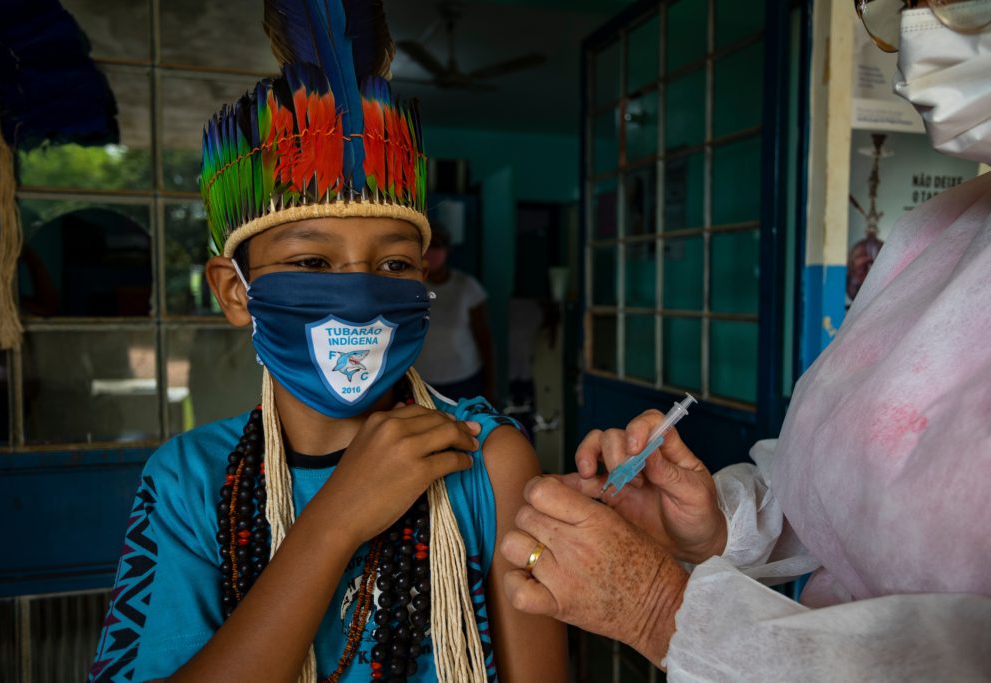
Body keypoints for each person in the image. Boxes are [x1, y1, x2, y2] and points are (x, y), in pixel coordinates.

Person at [499, 2, 991, 680]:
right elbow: (844, 487)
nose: (917, 35)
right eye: (901, 5)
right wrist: (716, 526)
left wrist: (658, 608)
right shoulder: (942, 230)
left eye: (955, 3)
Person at [88, 2, 566, 681]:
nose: (360, 295)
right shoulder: (188, 481)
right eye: (312, 262)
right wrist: (336, 519)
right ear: (234, 291)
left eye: (394, 264)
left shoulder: (484, 461)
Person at [413, 225, 496, 401]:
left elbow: (482, 335)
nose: (432, 252)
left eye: (437, 245)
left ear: (448, 249)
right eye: (428, 246)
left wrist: (490, 383)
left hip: (464, 378)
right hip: (423, 379)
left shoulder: (467, 286)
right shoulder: (412, 287)